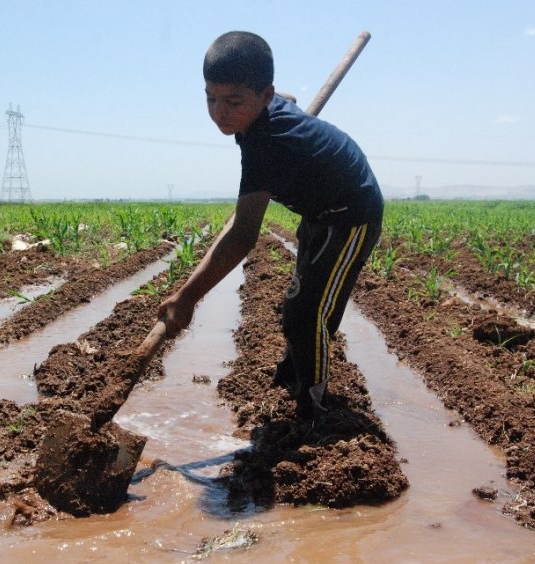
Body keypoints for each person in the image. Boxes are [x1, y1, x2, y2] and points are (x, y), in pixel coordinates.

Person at [158, 31, 384, 420]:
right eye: (211, 98)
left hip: (352, 215)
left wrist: (188, 297)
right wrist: (279, 104)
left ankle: (313, 409)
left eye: (233, 101)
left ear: (265, 96)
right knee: (306, 301)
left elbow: (243, 236)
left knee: (306, 311)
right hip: (317, 212)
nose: (219, 113)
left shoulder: (268, 145)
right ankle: (293, 375)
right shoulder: (260, 117)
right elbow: (288, 101)